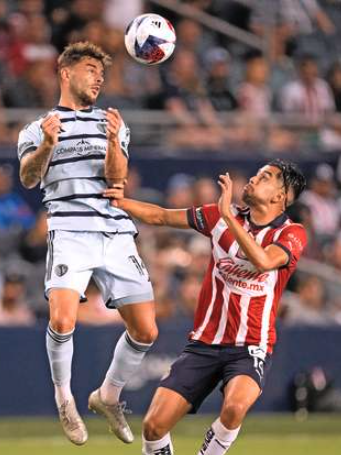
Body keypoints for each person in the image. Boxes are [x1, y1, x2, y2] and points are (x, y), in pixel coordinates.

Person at [103, 159, 307, 455]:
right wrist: (119, 202)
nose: (252, 177)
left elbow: (263, 261)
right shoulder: (218, 217)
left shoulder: (291, 234)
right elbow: (160, 216)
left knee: (235, 407)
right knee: (153, 426)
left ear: (280, 197)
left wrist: (228, 215)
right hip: (204, 344)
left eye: (264, 177)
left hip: (250, 346)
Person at [16, 41, 157, 445]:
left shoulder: (112, 122)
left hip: (114, 231)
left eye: (102, 72)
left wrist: (113, 140)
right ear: (66, 72)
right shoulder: (37, 127)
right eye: (91, 69)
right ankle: (65, 399)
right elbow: (28, 178)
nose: (99, 77)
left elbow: (117, 179)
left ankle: (108, 396)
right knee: (62, 320)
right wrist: (46, 144)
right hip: (69, 230)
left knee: (146, 331)